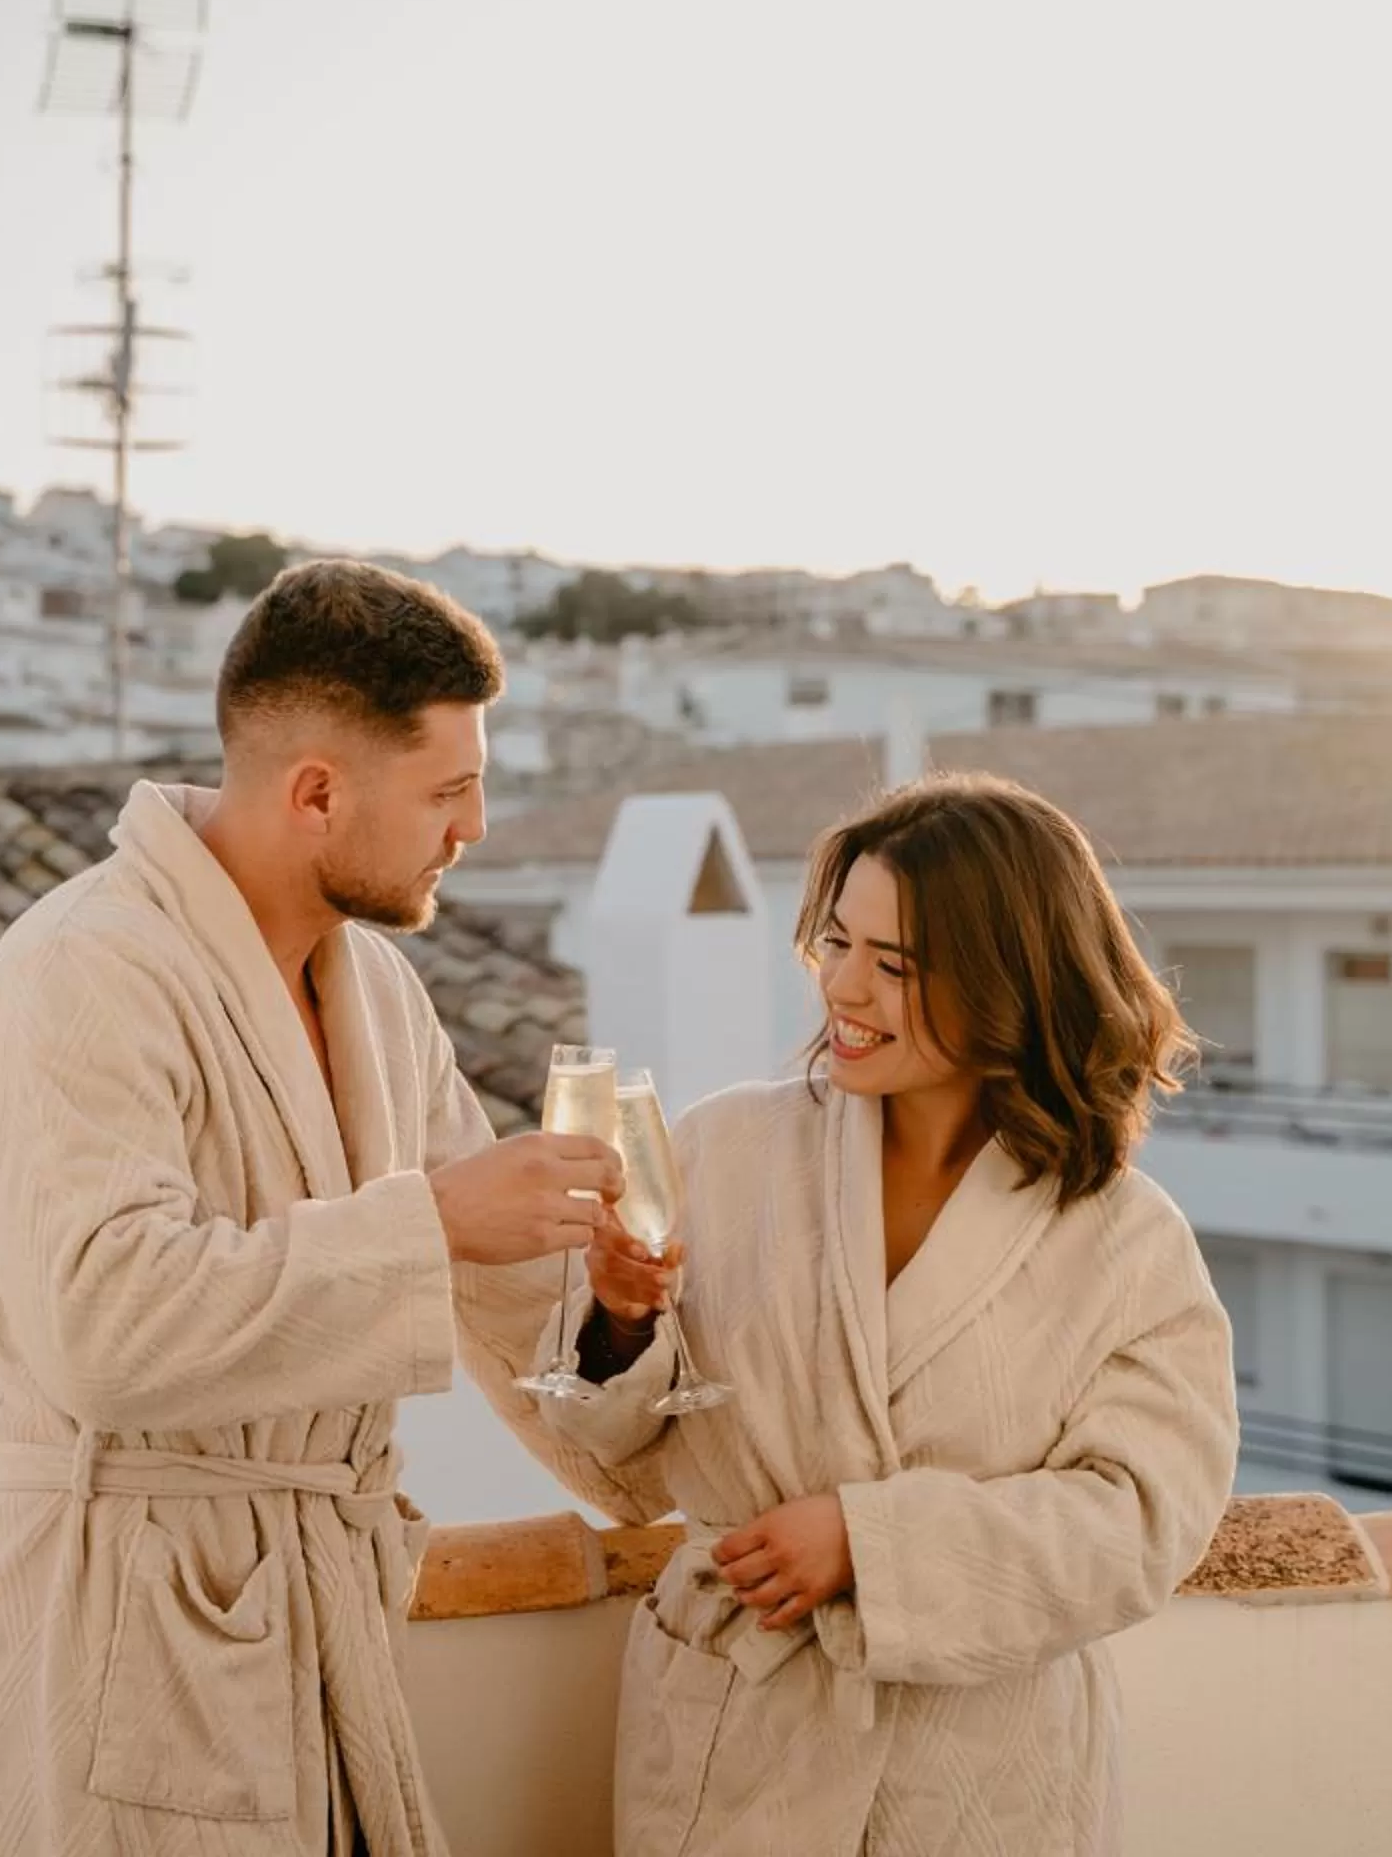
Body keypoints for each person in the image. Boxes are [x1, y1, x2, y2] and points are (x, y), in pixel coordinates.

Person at [0, 559, 624, 1857]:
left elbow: (510, 1304)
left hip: (325, 1620)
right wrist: (431, 1223)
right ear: (317, 793)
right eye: (450, 794)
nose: (474, 832)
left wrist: (622, 1327)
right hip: (120, 1635)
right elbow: (105, 1326)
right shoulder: (85, 972)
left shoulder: (383, 999)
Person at [480, 773, 1238, 1855]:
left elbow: (1143, 1522)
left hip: (983, 1771)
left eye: (896, 965)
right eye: (835, 942)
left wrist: (872, 1546)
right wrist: (620, 1321)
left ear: (1010, 979)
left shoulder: (1124, 1236)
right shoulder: (725, 1147)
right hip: (742, 1743)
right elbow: (615, 1454)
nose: (845, 985)